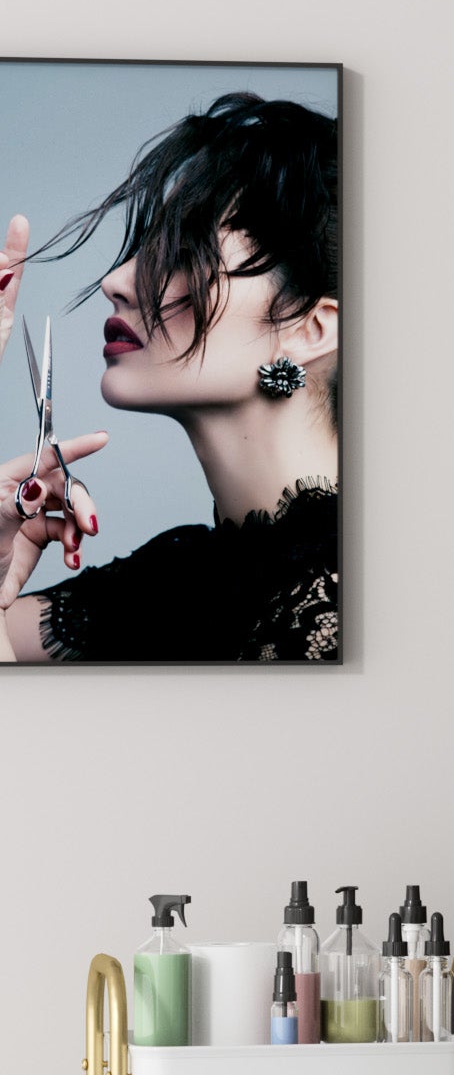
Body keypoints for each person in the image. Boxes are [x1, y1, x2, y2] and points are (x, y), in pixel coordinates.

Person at [0, 91, 339, 662]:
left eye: (183, 254)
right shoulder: (172, 584)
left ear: (309, 329)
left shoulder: (359, 600)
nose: (118, 279)